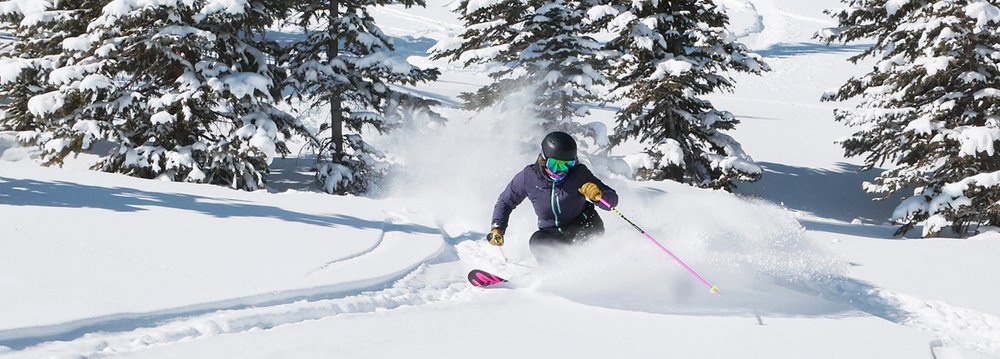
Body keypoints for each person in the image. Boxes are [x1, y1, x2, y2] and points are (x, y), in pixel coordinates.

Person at [487, 131, 619, 260]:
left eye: (568, 165)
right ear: (544, 159)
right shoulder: (529, 177)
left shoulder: (579, 174)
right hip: (552, 232)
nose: (562, 171)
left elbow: (611, 201)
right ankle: (553, 276)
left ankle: (594, 273)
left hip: (585, 225)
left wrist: (599, 195)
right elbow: (506, 201)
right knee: (538, 242)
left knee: (585, 249)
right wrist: (497, 227)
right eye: (555, 165)